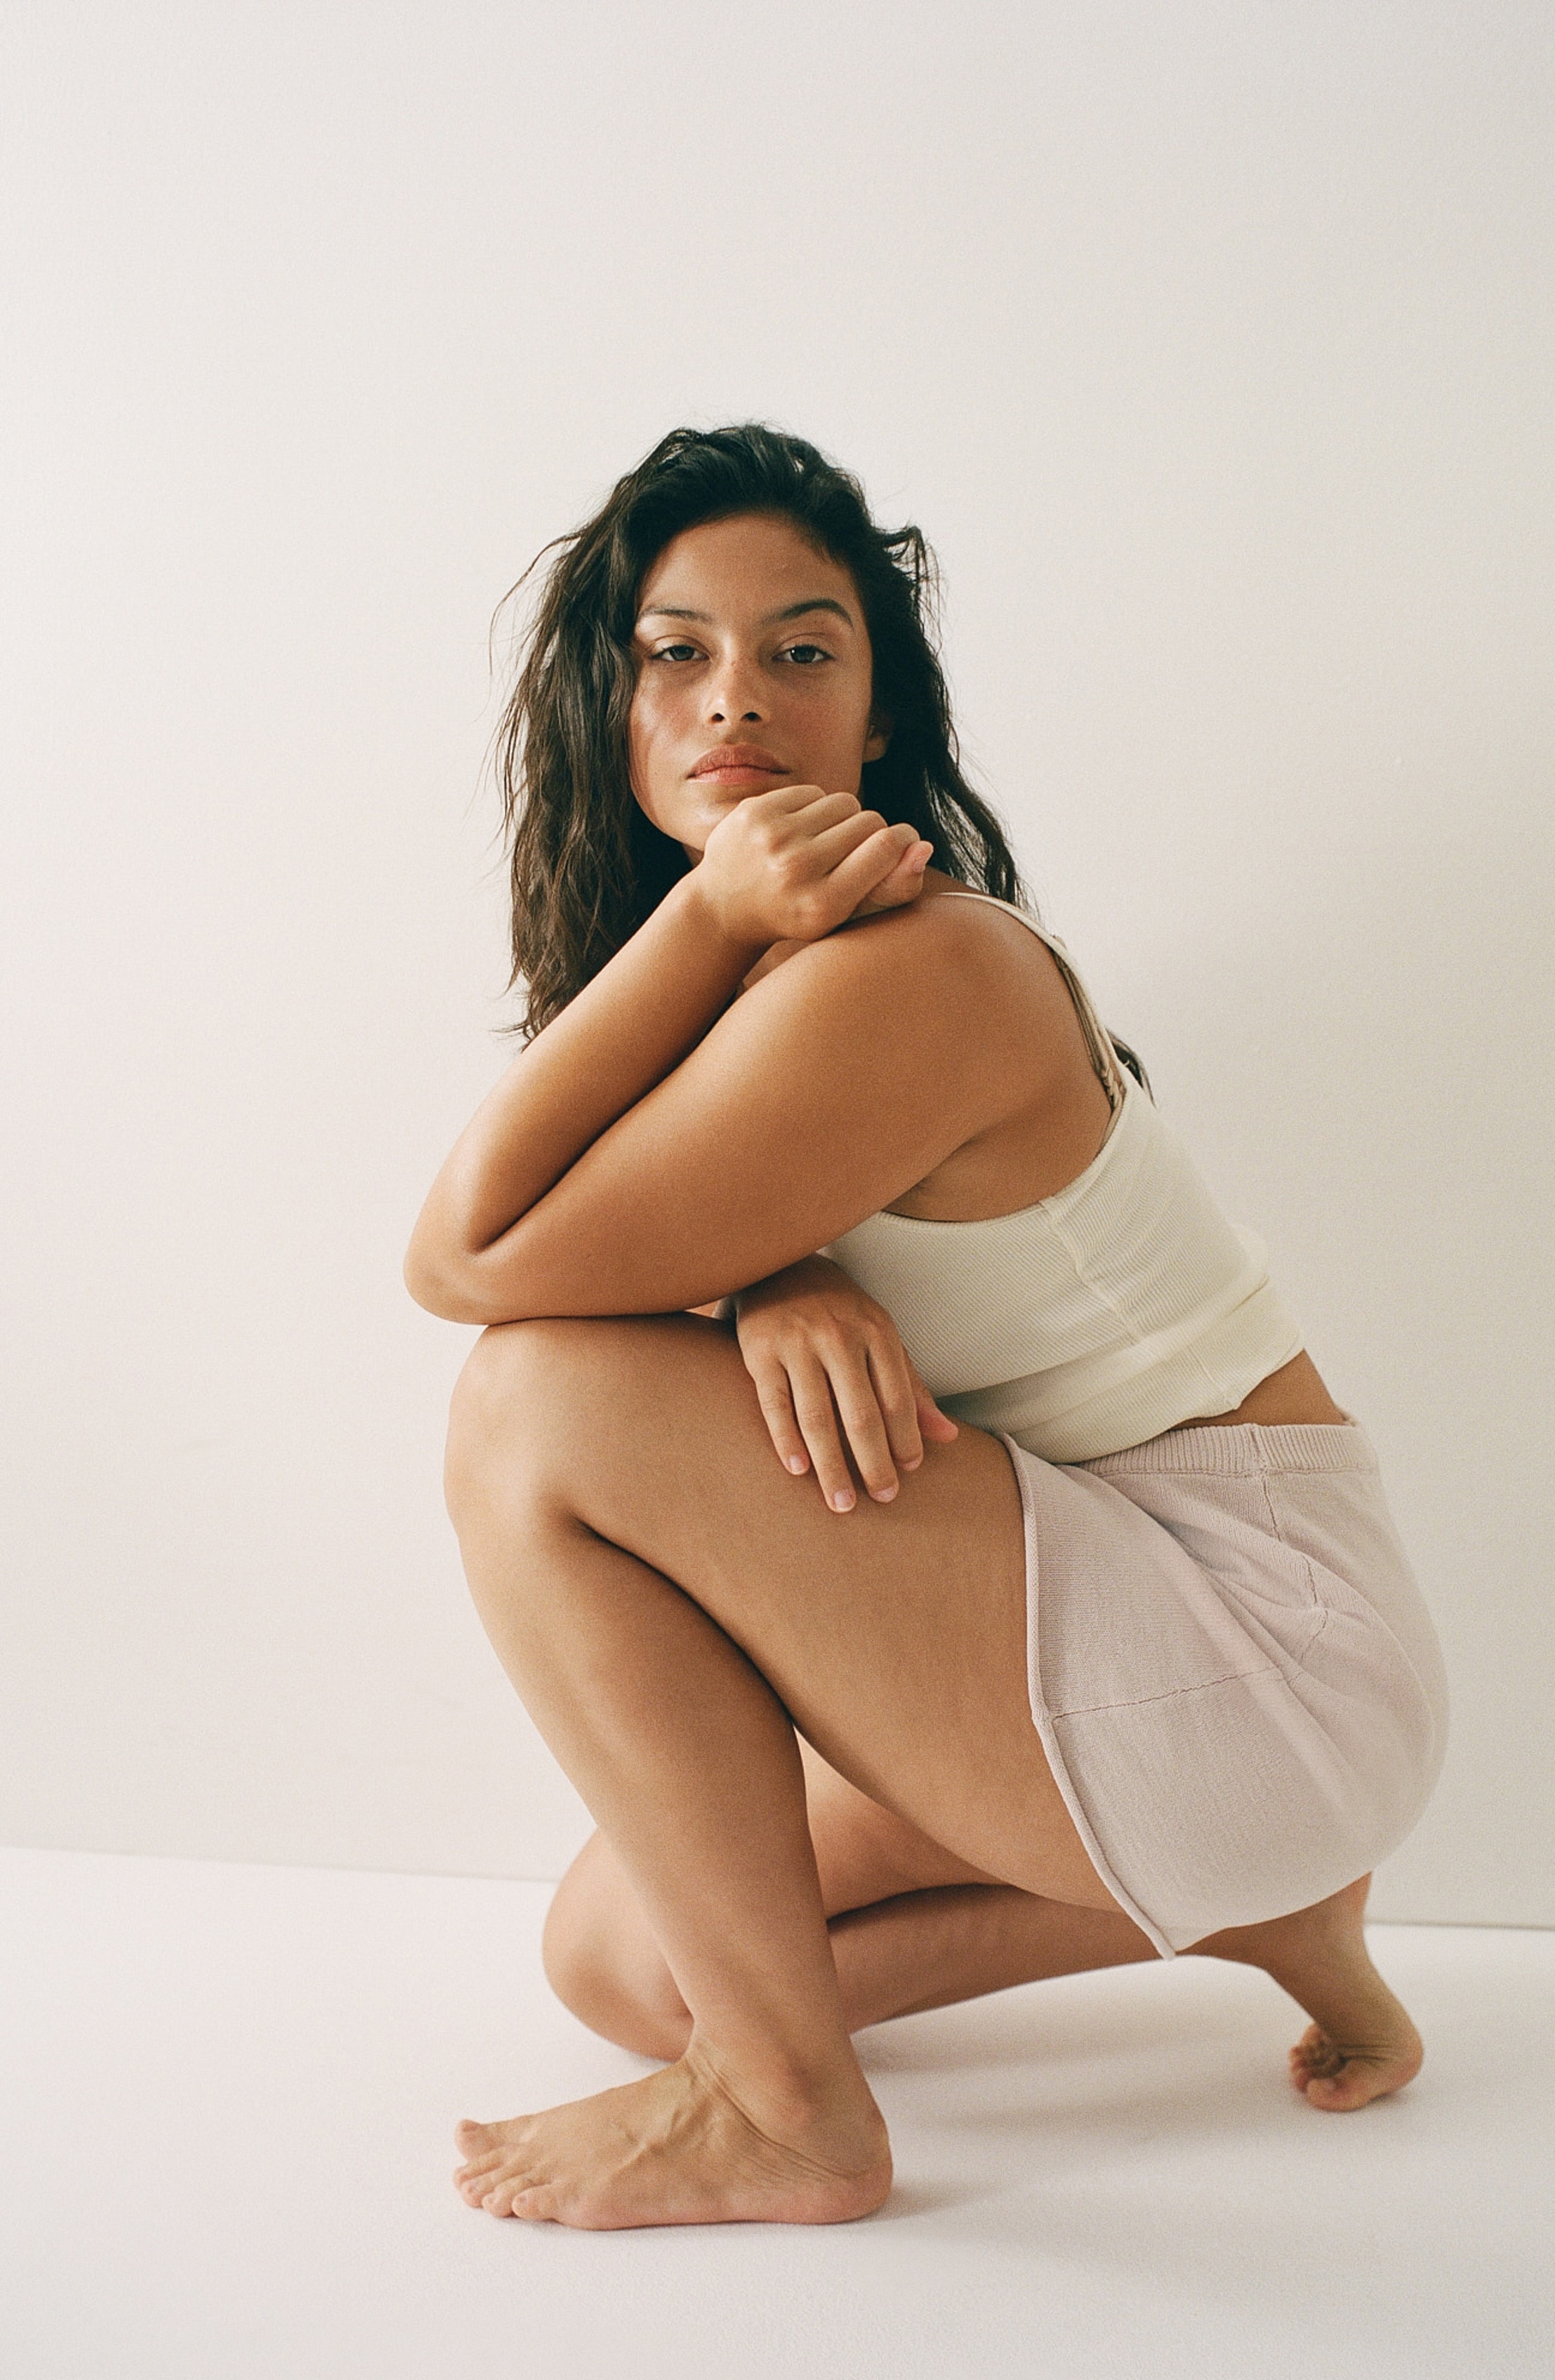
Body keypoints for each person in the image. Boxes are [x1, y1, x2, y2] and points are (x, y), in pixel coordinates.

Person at [404, 424, 1448, 2232]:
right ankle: (1264, 1898)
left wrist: (704, 918)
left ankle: (788, 2114)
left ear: (877, 715)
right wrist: (772, 1275)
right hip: (1140, 1627)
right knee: (630, 1964)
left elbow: (473, 1254)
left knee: (530, 1404)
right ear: (612, 710)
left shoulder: (917, 969)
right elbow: (667, 1219)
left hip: (1253, 1639)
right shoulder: (778, 1000)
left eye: (802, 649)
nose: (738, 695)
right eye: (676, 652)